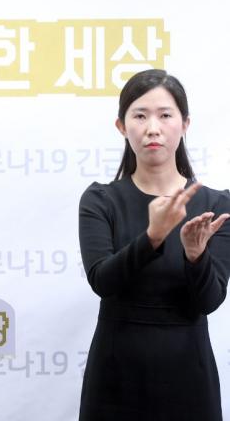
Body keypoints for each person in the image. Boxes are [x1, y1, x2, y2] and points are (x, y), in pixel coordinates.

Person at [78, 69, 230, 420]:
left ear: (185, 123)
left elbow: (209, 301)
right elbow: (102, 281)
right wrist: (153, 237)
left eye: (165, 115)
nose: (153, 128)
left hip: (188, 376)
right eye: (140, 116)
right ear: (121, 126)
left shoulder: (217, 205)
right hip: (116, 376)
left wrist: (196, 255)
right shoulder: (101, 200)